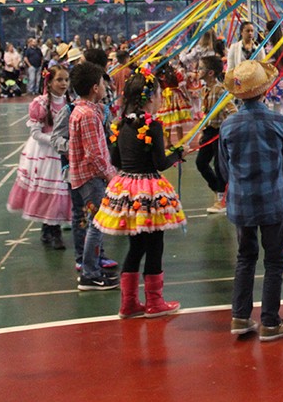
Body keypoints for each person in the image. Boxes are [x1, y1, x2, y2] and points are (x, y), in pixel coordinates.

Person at [94, 65, 187, 318]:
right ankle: (155, 302)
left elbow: (115, 160)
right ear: (150, 98)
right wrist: (177, 154)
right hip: (148, 193)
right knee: (155, 245)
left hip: (127, 190)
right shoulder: (153, 126)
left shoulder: (121, 124)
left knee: (135, 248)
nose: (160, 99)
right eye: (158, 94)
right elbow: (159, 163)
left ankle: (128, 304)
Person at [220, 60, 283, 341]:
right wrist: (273, 182)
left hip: (241, 205)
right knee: (274, 260)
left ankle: (240, 317)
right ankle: (270, 322)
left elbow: (224, 168)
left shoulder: (228, 126)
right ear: (265, 90)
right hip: (273, 201)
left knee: (245, 257)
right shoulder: (278, 122)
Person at [6, 65, 72, 250]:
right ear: (49, 82)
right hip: (45, 153)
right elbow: (35, 133)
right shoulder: (41, 103)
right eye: (59, 80)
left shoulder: (69, 101)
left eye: (66, 80)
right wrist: (55, 140)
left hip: (63, 152)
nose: (64, 83)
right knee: (52, 188)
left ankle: (50, 227)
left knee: (60, 190)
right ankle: (53, 231)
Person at [68, 61, 119, 291]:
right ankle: (89, 274)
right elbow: (94, 154)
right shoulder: (87, 115)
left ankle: (93, 267)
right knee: (97, 223)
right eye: (101, 83)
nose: (104, 87)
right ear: (93, 88)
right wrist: (111, 176)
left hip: (86, 177)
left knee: (95, 222)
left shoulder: (85, 110)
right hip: (91, 179)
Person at [196, 55, 237, 213]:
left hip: (220, 132)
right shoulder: (205, 89)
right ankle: (219, 191)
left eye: (201, 68)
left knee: (219, 166)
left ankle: (222, 199)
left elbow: (233, 111)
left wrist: (227, 129)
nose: (197, 71)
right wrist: (202, 130)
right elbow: (206, 113)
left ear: (210, 73)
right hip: (209, 131)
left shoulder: (220, 90)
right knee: (201, 162)